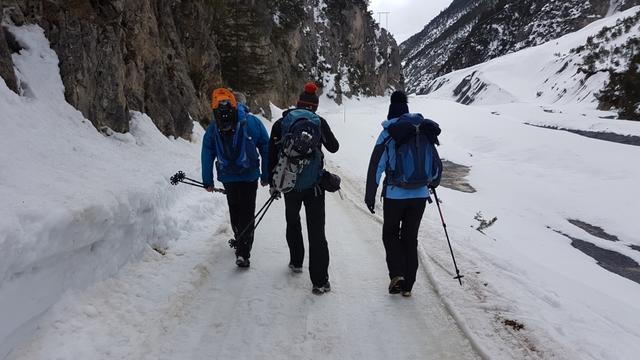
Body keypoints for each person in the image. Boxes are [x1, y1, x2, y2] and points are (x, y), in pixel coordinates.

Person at [364, 90, 442, 297]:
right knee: (410, 237)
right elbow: (436, 166)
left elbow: (376, 167)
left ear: (391, 111)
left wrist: (370, 195)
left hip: (395, 195)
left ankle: (397, 274)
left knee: (390, 234)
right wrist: (432, 183)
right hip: (419, 196)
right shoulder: (422, 130)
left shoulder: (389, 132)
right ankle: (408, 285)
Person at [268, 82, 340, 295]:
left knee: (293, 221)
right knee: (317, 232)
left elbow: (271, 152)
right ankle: (319, 281)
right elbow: (334, 147)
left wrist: (272, 182)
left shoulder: (282, 122)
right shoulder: (319, 122)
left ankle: (296, 261)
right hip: (314, 185)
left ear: (298, 103)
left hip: (289, 184)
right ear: (315, 106)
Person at [202, 88, 270, 268]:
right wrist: (266, 174)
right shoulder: (252, 122)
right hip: (249, 176)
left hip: (228, 176)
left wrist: (207, 179)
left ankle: (239, 238)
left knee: (235, 208)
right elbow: (265, 146)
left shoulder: (213, 127)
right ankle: (243, 251)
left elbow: (207, 153)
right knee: (248, 210)